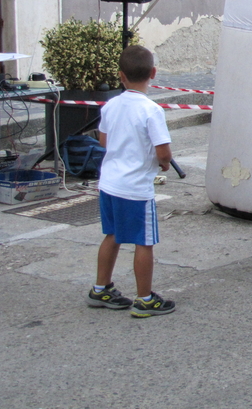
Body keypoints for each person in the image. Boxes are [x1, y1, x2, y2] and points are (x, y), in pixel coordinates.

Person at [87, 45, 175, 318]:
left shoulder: (111, 105)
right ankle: (145, 298)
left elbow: (104, 140)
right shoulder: (151, 110)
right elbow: (163, 151)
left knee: (111, 235)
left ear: (120, 75)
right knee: (143, 241)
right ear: (153, 73)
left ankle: (100, 288)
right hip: (135, 188)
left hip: (109, 183)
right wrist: (162, 163)